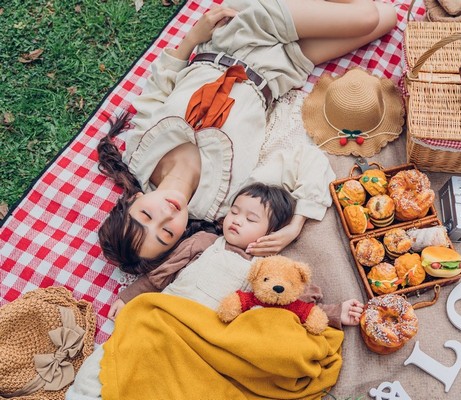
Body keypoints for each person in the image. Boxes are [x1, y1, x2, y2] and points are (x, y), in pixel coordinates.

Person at [96, 0, 398, 275]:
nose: (165, 214)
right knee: (387, 17)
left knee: (368, 15)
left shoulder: (139, 156)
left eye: (147, 214)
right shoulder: (223, 204)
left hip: (236, 36)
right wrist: (295, 225)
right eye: (166, 233)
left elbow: (158, 87)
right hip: (281, 68)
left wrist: (193, 37)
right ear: (178, 239)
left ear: (134, 199)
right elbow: (300, 164)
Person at [66, 183, 364, 399]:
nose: (237, 220)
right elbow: (165, 271)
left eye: (250, 219)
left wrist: (335, 313)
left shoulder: (264, 268)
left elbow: (291, 304)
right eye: (235, 211)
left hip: (203, 334)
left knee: (181, 377)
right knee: (127, 346)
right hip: (169, 313)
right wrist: (130, 296)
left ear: (270, 234)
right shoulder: (206, 242)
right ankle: (86, 393)